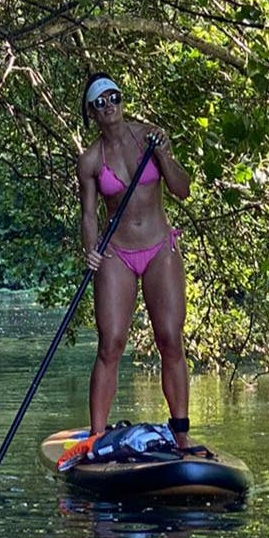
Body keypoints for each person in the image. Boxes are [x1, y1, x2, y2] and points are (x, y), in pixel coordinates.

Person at [69, 72, 193, 457]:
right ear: (91, 113)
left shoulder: (150, 136)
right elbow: (89, 215)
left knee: (170, 339)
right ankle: (96, 437)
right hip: (116, 253)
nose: (109, 107)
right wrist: (90, 249)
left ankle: (181, 434)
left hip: (158, 247)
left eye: (114, 98)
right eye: (100, 103)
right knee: (111, 343)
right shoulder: (90, 160)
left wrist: (162, 155)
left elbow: (182, 188)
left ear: (123, 101)